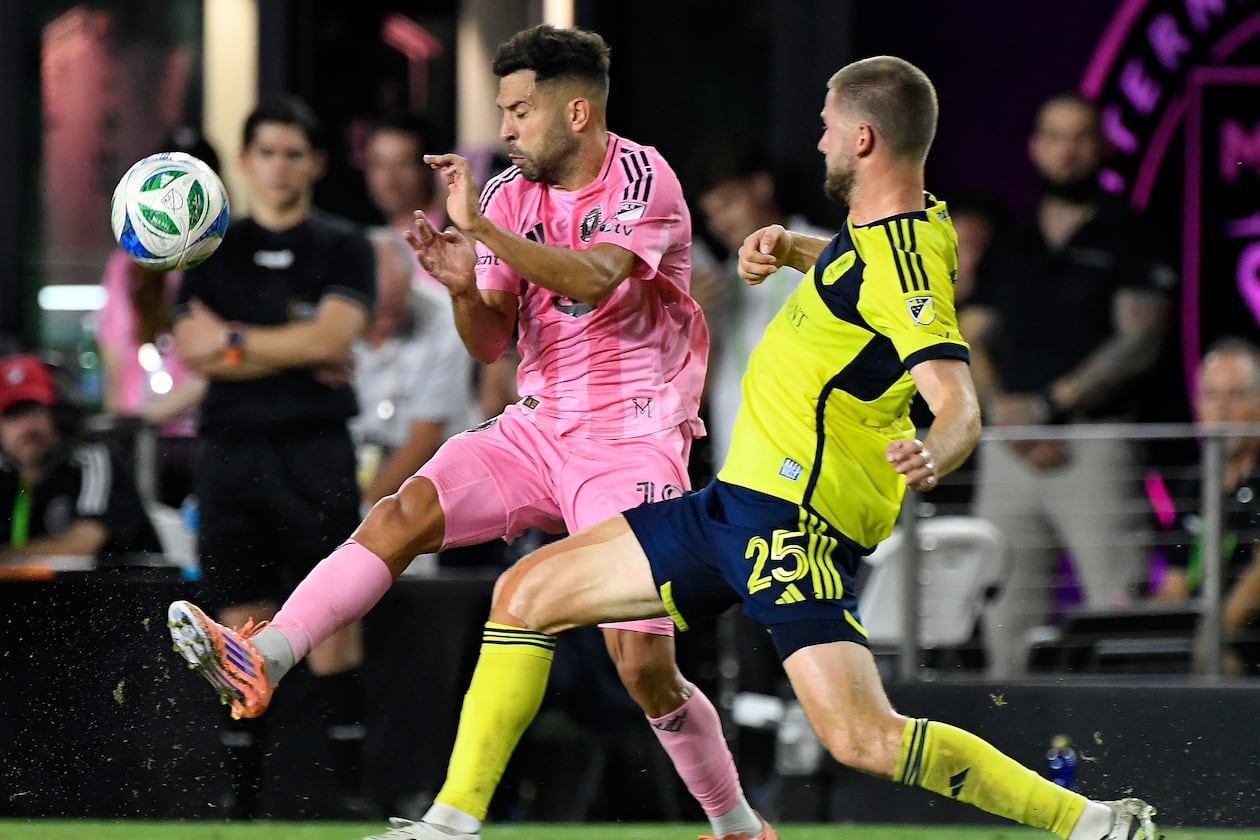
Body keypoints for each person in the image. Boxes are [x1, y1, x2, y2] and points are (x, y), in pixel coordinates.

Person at [367, 56, 1157, 840]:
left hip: (789, 527)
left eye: (827, 127)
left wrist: (936, 450)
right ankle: (450, 826)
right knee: (523, 594)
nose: (818, 143)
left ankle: (1092, 823)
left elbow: (958, 403)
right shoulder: (895, 230)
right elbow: (863, 275)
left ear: (864, 139)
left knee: (864, 738)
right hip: (733, 507)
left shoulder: (904, 259)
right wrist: (795, 249)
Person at [167, 26, 771, 840]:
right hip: (537, 426)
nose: (507, 128)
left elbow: (598, 278)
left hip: (632, 438)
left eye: (520, 111)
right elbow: (490, 342)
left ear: (578, 112)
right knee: (401, 514)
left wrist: (483, 234)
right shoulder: (509, 195)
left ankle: (738, 826)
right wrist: (461, 288)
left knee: (642, 666)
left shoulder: (640, 174)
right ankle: (266, 656)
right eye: (504, 111)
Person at [168, 95, 376, 819]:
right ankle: (240, 804)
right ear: (246, 160)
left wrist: (233, 342)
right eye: (267, 153)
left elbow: (335, 337)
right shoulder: (207, 246)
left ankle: (352, 797)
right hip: (230, 454)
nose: (280, 167)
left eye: (294, 154)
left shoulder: (344, 244)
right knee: (237, 623)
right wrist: (293, 350)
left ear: (316, 163)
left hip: (317, 453)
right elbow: (192, 350)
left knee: (334, 621)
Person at [960, 92, 1176, 678]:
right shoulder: (1013, 239)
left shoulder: (1132, 232)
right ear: (1035, 147)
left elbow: (1140, 341)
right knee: (1003, 625)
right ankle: (1008, 736)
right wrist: (1005, 415)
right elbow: (970, 335)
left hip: (1096, 444)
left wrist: (1048, 405)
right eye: (1055, 136)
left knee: (1118, 613)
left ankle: (1128, 736)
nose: (1068, 150)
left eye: (1081, 136)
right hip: (1011, 449)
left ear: (1103, 147)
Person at [689, 141, 831, 472]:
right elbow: (696, 401)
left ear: (761, 186)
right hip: (737, 471)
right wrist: (695, 320)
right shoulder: (718, 285)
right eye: (710, 215)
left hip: (816, 466)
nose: (720, 222)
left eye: (727, 203)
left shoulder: (830, 256)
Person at [97, 127, 218, 507]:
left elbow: (224, 358)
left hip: (202, 437)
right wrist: (122, 427)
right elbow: (113, 354)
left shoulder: (223, 262)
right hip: (137, 439)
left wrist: (152, 415)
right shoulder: (125, 263)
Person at [1152, 337, 1260, 673]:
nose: (1222, 410)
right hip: (1201, 637)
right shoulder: (1193, 483)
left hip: (1244, 636)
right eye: (1211, 396)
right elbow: (1175, 583)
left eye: (1236, 395)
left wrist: (1212, 640)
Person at [353, 229, 479, 508]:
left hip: (434, 474)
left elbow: (426, 437)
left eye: (395, 310)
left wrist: (364, 509)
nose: (386, 323)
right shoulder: (335, 313)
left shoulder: (445, 319)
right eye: (378, 312)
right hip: (353, 459)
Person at [0, 353, 161, 564]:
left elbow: (78, 549)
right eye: (12, 416)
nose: (26, 427)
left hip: (131, 586)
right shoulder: (7, 479)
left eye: (35, 411)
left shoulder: (93, 460)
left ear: (61, 416)